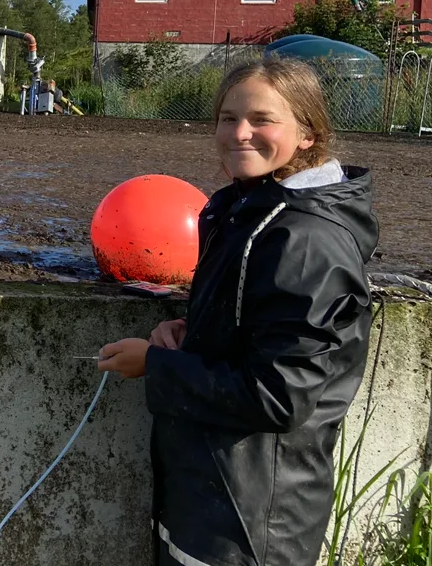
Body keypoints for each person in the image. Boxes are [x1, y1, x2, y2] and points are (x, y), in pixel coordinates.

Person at [97, 57, 378, 566]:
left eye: (262, 119)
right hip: (209, 495)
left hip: (253, 520)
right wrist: (193, 328)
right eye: (229, 118)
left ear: (308, 134)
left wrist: (155, 365)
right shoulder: (246, 209)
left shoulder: (306, 240)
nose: (240, 133)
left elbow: (279, 395)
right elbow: (262, 326)